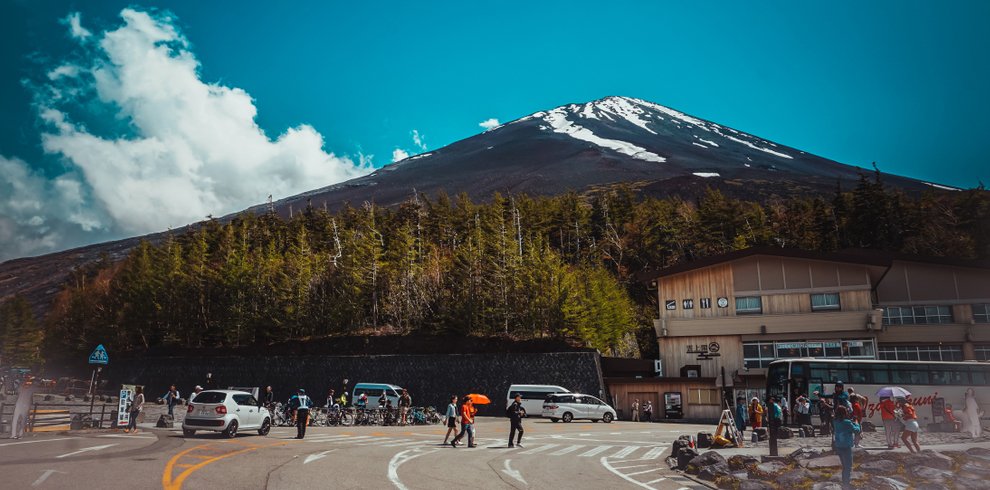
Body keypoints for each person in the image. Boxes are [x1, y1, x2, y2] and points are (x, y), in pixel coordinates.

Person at [832, 405, 861, 488]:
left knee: (844, 466)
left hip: (838, 446)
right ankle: (846, 484)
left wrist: (851, 422)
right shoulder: (847, 422)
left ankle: (845, 482)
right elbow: (856, 430)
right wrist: (856, 423)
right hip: (846, 446)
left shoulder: (835, 421)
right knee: (848, 466)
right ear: (845, 413)